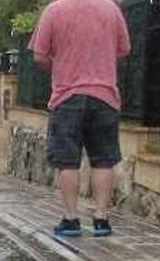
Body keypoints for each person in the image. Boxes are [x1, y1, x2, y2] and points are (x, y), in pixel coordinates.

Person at [29, 0, 131, 237]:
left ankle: (71, 218)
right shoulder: (112, 9)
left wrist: (59, 66)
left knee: (67, 161)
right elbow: (124, 50)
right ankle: (101, 219)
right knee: (103, 159)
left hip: (67, 95)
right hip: (105, 96)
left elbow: (39, 56)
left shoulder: (54, 10)